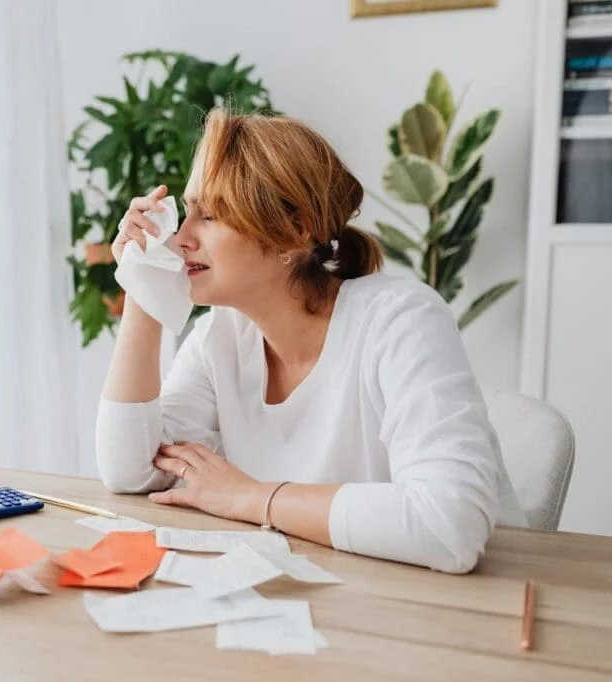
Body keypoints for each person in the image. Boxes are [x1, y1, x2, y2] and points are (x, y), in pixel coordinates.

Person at [96, 108, 526, 574]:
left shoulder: (401, 319)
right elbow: (133, 472)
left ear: (295, 232)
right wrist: (141, 284)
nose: (180, 239)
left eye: (212, 216)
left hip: (476, 611)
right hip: (341, 597)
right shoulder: (219, 338)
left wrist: (252, 497)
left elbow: (451, 526)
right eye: (188, 212)